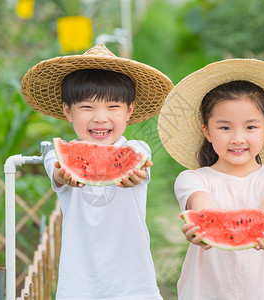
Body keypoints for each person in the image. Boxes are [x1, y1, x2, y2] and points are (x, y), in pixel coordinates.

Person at [21, 44, 173, 300]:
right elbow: (56, 171)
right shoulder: (57, 156)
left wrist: (137, 173)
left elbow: (141, 163)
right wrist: (61, 174)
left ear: (130, 111)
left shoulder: (136, 148)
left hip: (134, 284)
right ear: (68, 111)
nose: (101, 118)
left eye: (113, 107)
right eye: (87, 108)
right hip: (79, 285)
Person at [157, 59, 264, 299]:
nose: (238, 138)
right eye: (225, 128)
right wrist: (204, 229)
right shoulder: (191, 179)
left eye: (251, 127)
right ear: (207, 131)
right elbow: (203, 208)